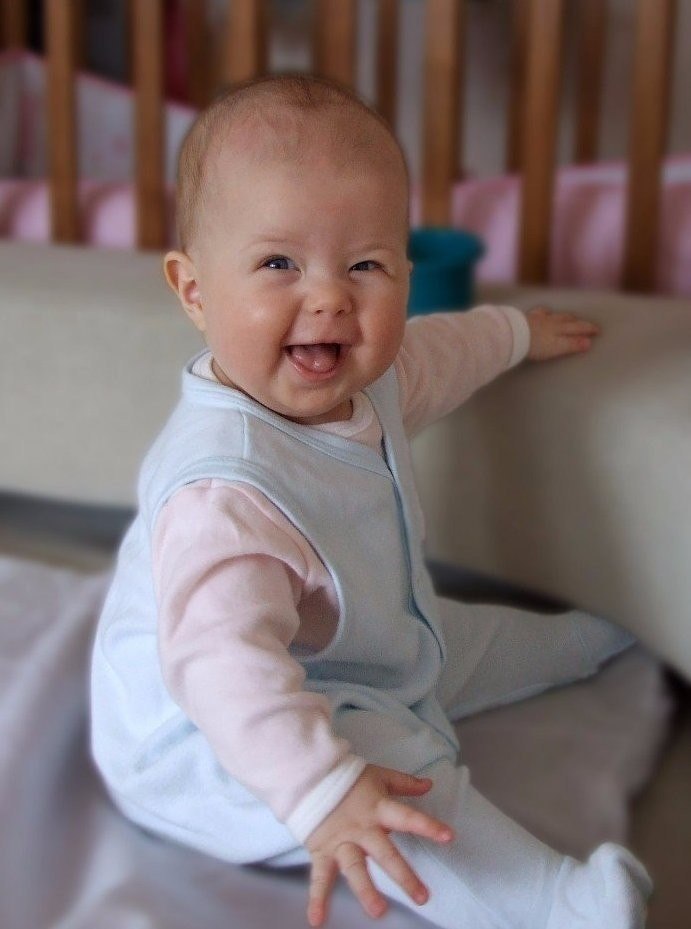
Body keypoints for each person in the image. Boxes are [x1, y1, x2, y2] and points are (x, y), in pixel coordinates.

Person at [90, 74, 651, 929]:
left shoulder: (370, 379)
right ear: (194, 290)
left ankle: (597, 640)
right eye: (278, 264)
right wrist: (322, 789)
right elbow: (220, 666)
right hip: (217, 731)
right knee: (397, 782)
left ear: (403, 274)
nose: (329, 297)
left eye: (364, 265)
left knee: (474, 639)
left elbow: (443, 350)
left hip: (360, 646)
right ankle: (555, 906)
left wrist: (515, 332)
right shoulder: (225, 493)